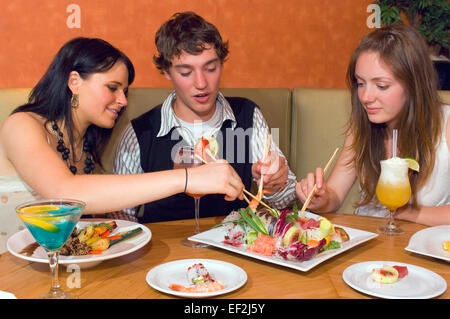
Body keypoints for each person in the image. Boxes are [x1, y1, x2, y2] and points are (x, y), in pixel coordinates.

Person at [0, 37, 244, 253]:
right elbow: (64, 193)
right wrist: (187, 178)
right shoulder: (21, 125)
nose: (123, 100)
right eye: (112, 88)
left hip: (51, 270)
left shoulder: (85, 145)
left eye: (125, 91)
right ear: (74, 81)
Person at [114, 11, 297, 222]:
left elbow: (286, 202)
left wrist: (276, 185)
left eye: (211, 68)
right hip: (166, 252)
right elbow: (121, 217)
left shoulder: (247, 115)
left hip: (233, 246)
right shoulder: (140, 132)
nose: (201, 83)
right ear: (166, 72)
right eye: (185, 72)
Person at [296, 25, 449, 227]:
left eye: (381, 86)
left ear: (414, 84)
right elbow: (335, 195)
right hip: (367, 242)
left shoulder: (445, 124)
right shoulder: (362, 125)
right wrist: (321, 198)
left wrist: (408, 212)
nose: (366, 97)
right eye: (360, 83)